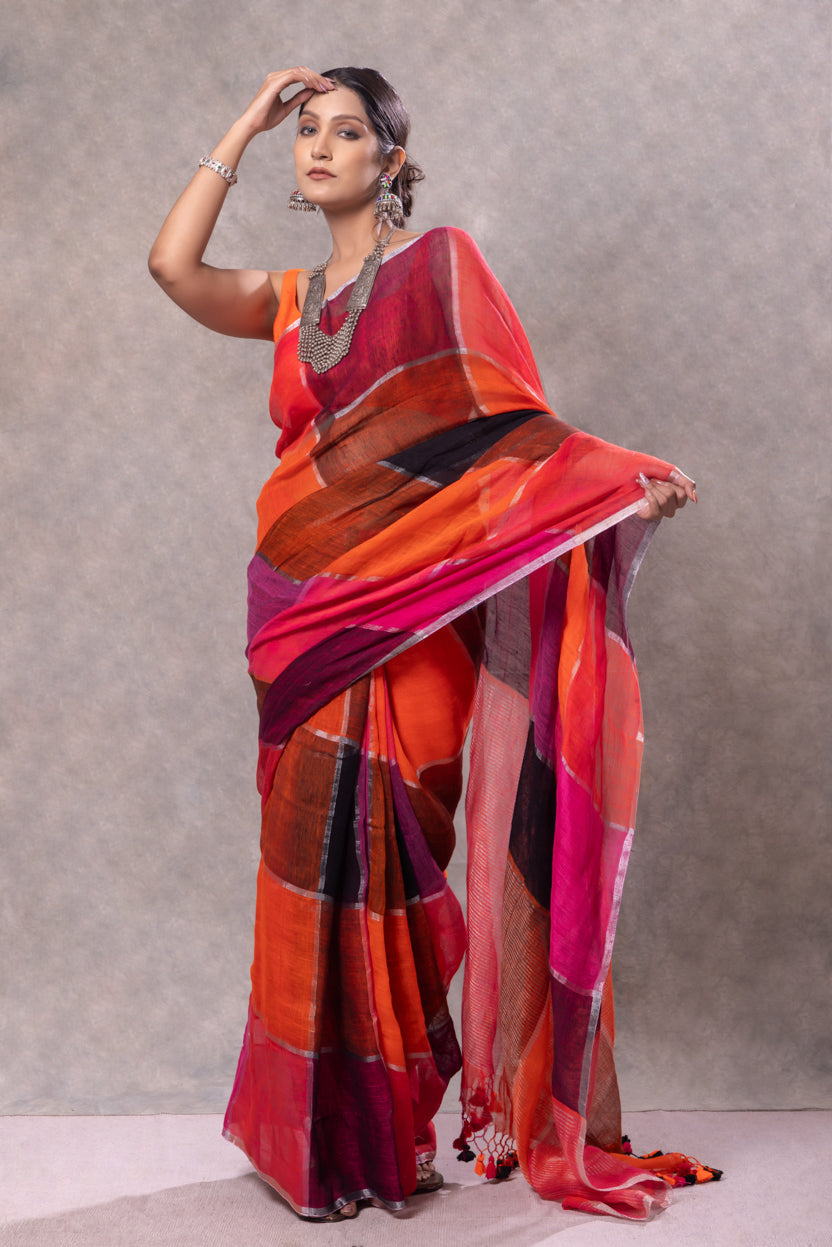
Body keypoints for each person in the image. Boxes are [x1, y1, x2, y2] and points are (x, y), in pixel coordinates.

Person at [149, 66, 711, 1224]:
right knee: (306, 868)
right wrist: (241, 128)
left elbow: (509, 427)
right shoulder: (293, 297)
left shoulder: (442, 268)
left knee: (394, 858)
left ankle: (391, 1138)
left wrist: (614, 486)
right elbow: (171, 269)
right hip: (303, 609)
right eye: (305, 132)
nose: (318, 148)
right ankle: (314, 1147)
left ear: (388, 163)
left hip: (408, 615)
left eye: (343, 132)